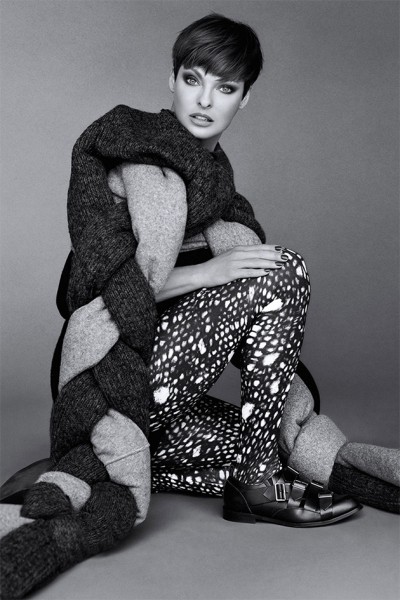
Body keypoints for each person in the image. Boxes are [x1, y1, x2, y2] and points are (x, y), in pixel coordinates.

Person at [4, 12, 399, 599]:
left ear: (246, 99)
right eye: (193, 79)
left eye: (225, 87)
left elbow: (252, 332)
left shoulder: (223, 200)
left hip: (167, 402)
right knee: (283, 269)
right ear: (172, 81)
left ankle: (178, 465)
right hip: (113, 381)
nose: (205, 100)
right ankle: (254, 482)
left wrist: (277, 387)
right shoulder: (122, 155)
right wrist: (207, 274)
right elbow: (86, 290)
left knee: (279, 444)